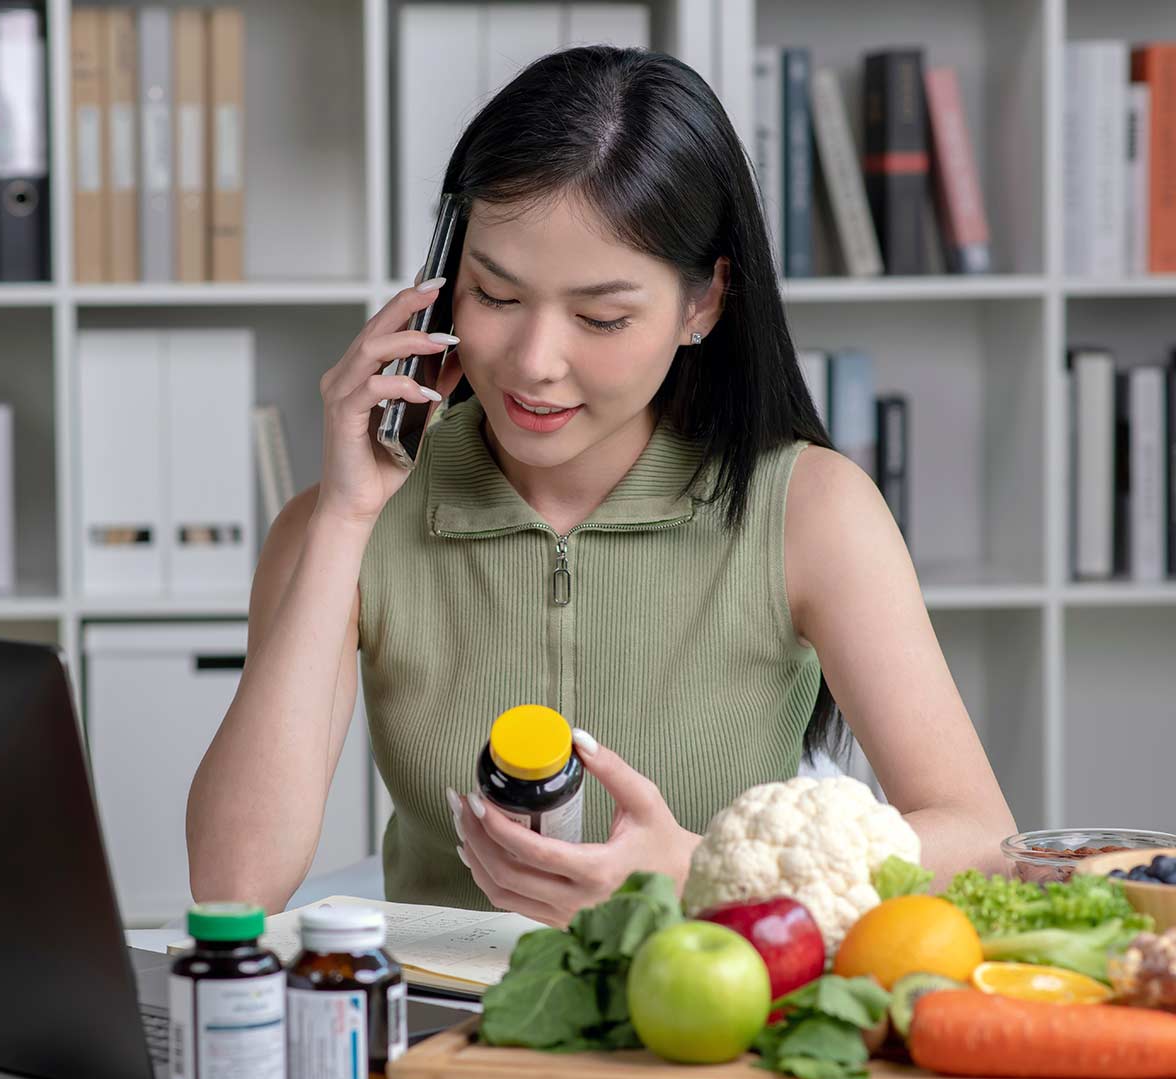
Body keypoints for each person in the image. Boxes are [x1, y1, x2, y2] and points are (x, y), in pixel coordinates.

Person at [186, 45, 1016, 926]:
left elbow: (980, 841)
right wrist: (348, 516)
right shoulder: (348, 524)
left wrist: (701, 869)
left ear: (702, 304)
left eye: (602, 317)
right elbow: (234, 882)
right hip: (443, 1043)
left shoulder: (811, 511)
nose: (535, 364)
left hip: (706, 1037)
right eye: (494, 296)